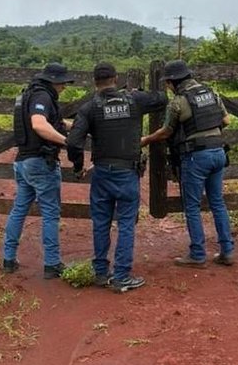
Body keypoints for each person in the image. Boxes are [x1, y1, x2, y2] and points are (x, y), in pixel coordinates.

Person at [66, 62, 167, 293]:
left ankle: (101, 272)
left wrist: (79, 166)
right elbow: (161, 98)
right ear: (115, 78)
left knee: (101, 223)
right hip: (127, 172)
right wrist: (135, 92)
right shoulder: (134, 101)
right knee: (125, 224)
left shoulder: (90, 108)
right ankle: (121, 276)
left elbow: (73, 142)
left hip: (101, 172)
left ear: (94, 82)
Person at [140, 59, 235, 268]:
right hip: (219, 152)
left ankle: (198, 254)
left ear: (173, 82)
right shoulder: (211, 93)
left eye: (168, 83)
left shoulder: (178, 102)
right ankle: (227, 251)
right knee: (217, 202)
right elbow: (226, 121)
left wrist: (146, 140)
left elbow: (166, 131)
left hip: (197, 156)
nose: (167, 86)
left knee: (191, 206)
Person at [2, 62, 74, 279]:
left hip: (23, 161)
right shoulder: (42, 97)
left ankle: (8, 258)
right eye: (62, 83)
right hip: (40, 162)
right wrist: (67, 142)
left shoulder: (29, 94)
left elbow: (56, 122)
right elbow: (39, 125)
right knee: (51, 213)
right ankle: (52, 264)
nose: (64, 87)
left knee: (19, 209)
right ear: (54, 81)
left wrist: (81, 125)